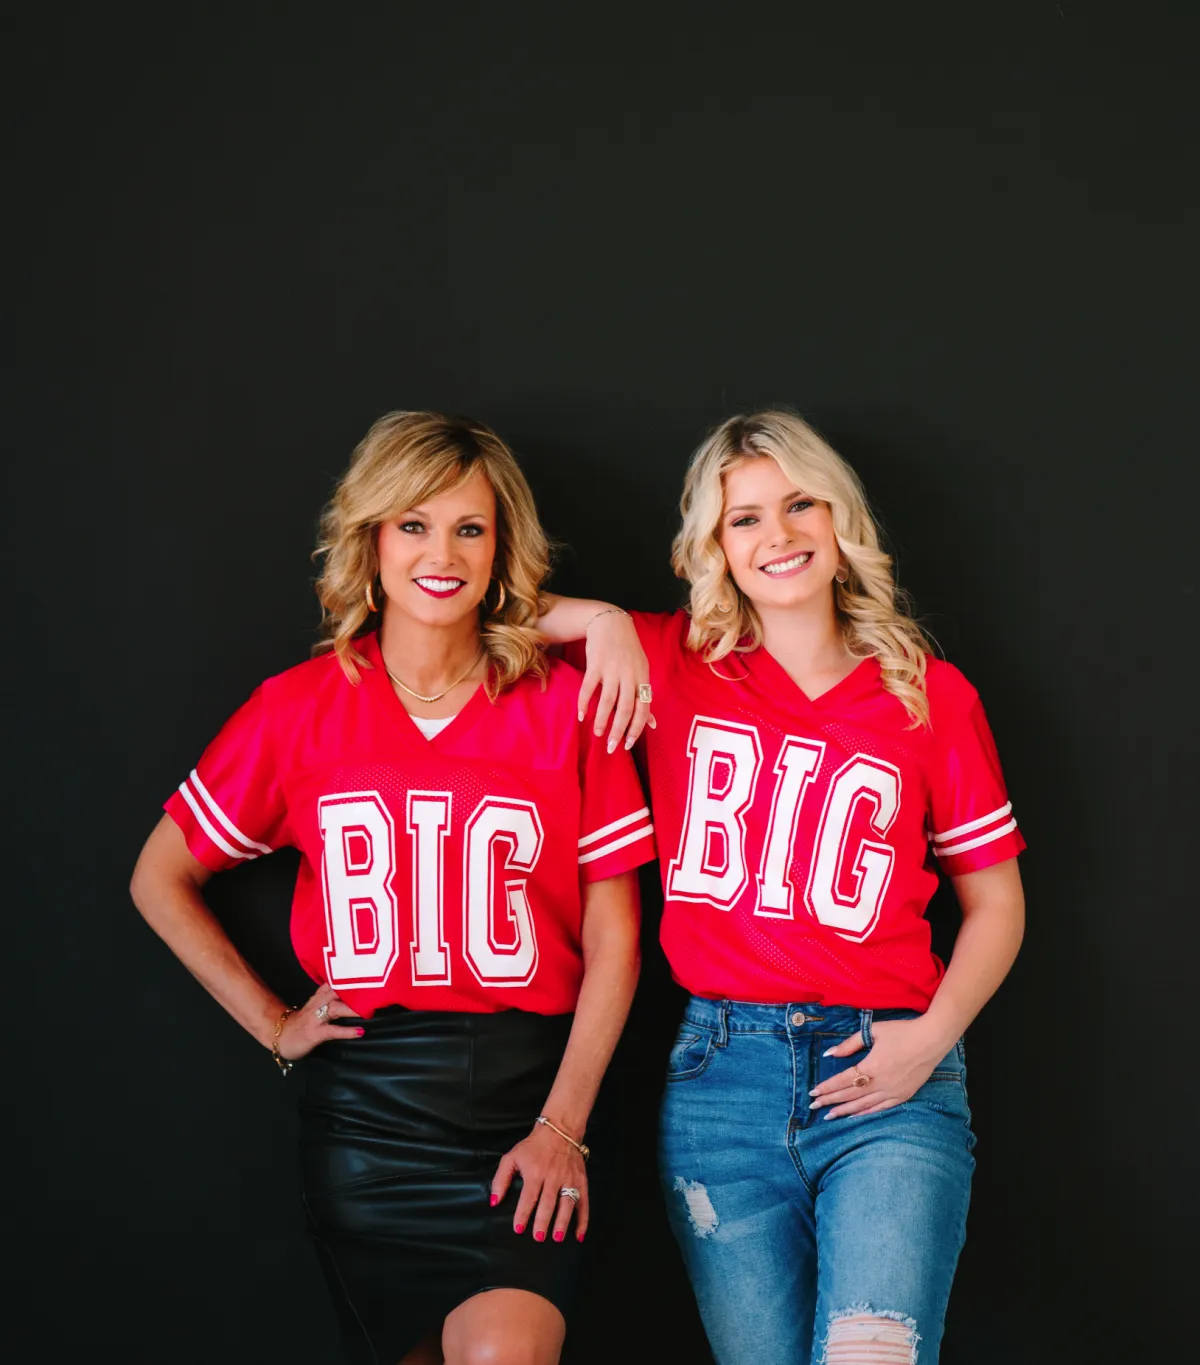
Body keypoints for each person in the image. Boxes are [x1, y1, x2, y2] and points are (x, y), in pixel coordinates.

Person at [130, 412, 656, 1365]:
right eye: (412, 524)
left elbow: (615, 939)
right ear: (371, 539)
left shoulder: (568, 704)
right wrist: (274, 1024)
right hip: (367, 1125)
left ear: (500, 548)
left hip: (532, 1103)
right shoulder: (297, 709)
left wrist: (564, 1125)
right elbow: (159, 876)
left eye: (469, 528)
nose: (440, 554)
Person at [539, 410, 1026, 1365]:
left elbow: (997, 902)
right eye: (746, 518)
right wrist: (602, 621)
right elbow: (483, 611)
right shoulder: (671, 661)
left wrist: (931, 1037)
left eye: (801, 503)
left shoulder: (928, 692)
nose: (780, 534)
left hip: (886, 1069)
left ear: (841, 519)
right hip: (719, 1085)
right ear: (715, 546)